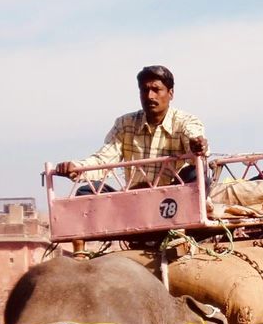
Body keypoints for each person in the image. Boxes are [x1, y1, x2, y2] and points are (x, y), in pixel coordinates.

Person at [56, 65, 208, 254]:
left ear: (170, 93)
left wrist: (197, 146)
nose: (150, 96)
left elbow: (193, 141)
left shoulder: (186, 121)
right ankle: (81, 251)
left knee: (197, 174)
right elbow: (104, 158)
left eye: (156, 90)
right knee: (86, 190)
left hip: (170, 205)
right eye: (145, 90)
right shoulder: (125, 123)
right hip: (134, 204)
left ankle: (180, 233)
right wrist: (76, 168)